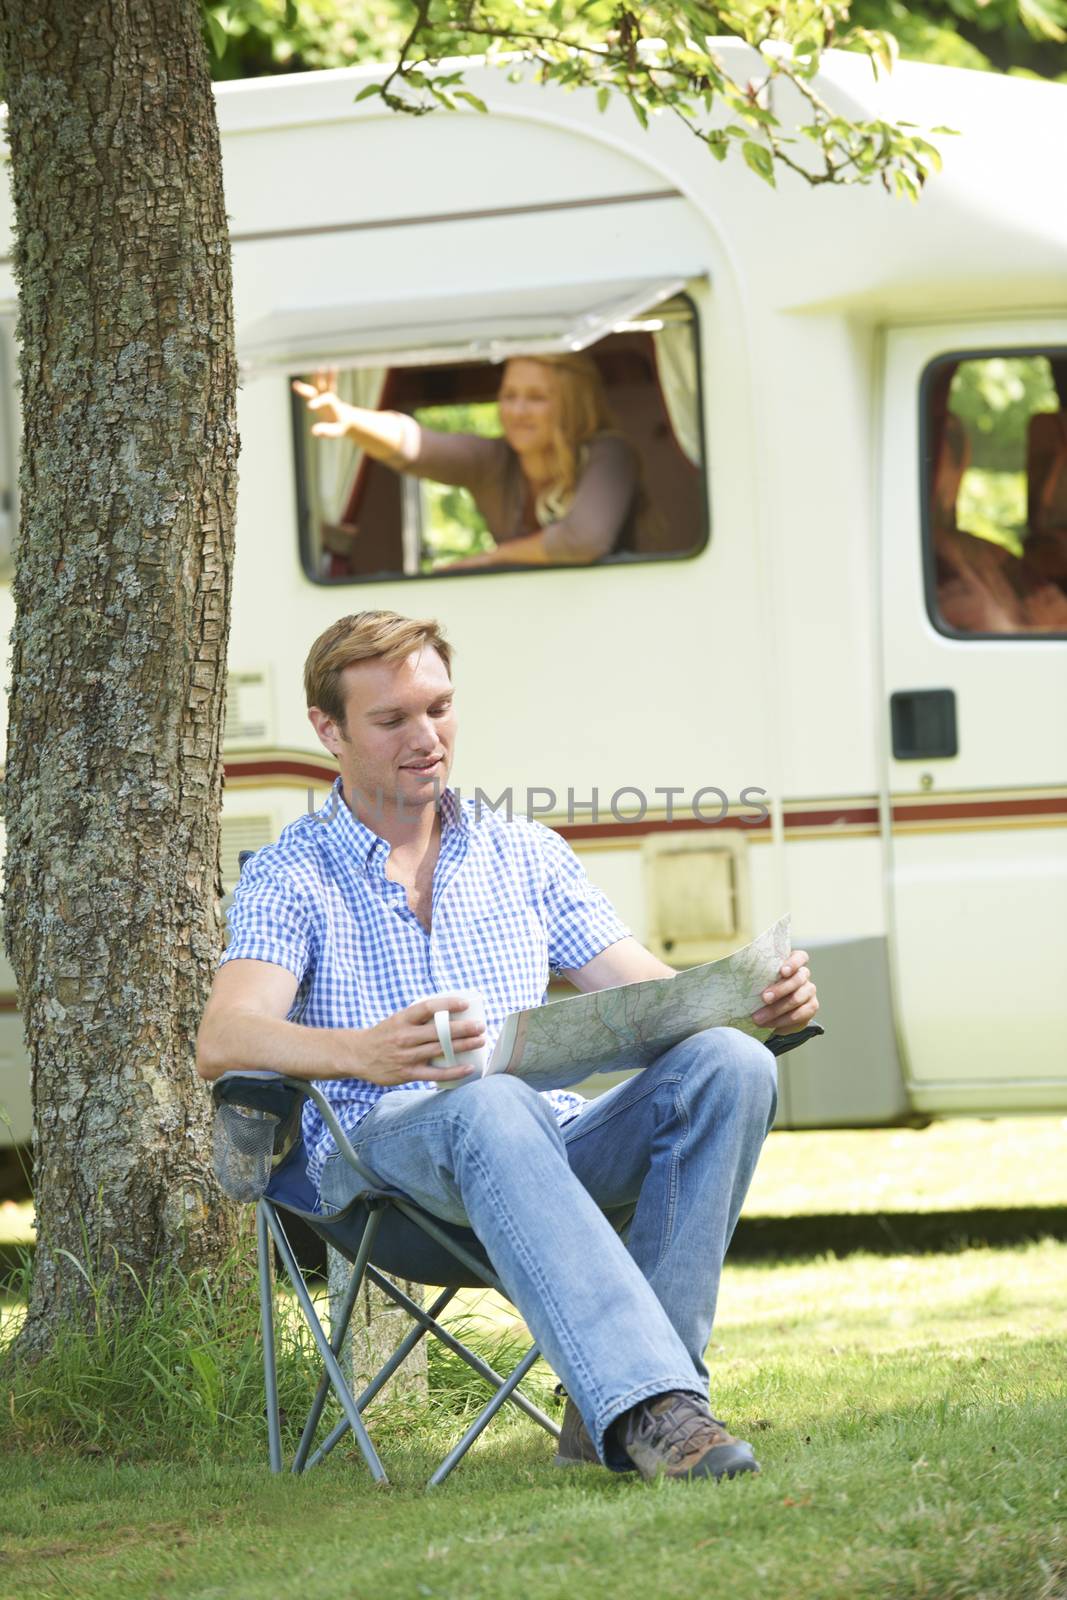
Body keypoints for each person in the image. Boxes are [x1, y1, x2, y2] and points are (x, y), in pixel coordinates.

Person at [196, 610, 820, 1483]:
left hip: (546, 1152)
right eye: (393, 720)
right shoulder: (291, 873)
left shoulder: (523, 852)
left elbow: (654, 1000)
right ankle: (651, 1411)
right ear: (326, 730)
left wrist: (757, 1008)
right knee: (488, 1099)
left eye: (440, 708)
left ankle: (630, 1405)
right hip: (385, 1186)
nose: (428, 737)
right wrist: (365, 1053)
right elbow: (225, 1037)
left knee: (730, 1065)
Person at [292, 354, 652, 570]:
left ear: (571, 404)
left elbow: (583, 540)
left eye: (536, 398)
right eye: (509, 396)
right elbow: (418, 447)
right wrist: (351, 419)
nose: (517, 411)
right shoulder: (496, 460)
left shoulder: (610, 455)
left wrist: (491, 559)